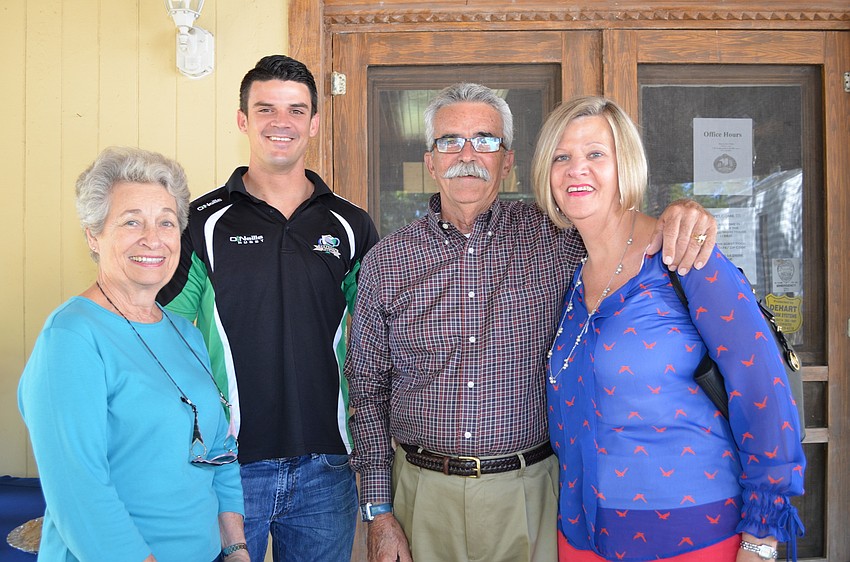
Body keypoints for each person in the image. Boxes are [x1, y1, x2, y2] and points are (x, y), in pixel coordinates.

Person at [345, 82, 717, 562]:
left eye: (485, 140)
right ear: (430, 161)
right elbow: (366, 385)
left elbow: (622, 230)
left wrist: (678, 215)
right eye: (449, 141)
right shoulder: (387, 261)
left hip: (533, 494)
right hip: (421, 497)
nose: (467, 154)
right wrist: (378, 510)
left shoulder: (558, 236)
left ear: (508, 160)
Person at [531, 96, 806, 561]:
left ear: (626, 165)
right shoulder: (571, 278)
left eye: (596, 153)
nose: (576, 169)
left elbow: (764, 390)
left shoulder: (686, 259)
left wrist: (761, 541)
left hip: (692, 535)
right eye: (562, 156)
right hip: (581, 538)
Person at [157, 55, 379, 562]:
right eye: (266, 109)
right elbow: (161, 329)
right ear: (242, 120)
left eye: (297, 110)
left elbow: (376, 339)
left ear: (315, 122)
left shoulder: (350, 224)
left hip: (328, 463)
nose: (282, 123)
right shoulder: (201, 223)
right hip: (228, 464)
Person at [18, 146, 248, 562]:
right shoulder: (71, 337)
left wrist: (235, 549)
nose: (152, 238)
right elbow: (80, 492)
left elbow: (219, 451)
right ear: (93, 234)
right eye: (131, 222)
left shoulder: (185, 333)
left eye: (166, 222)